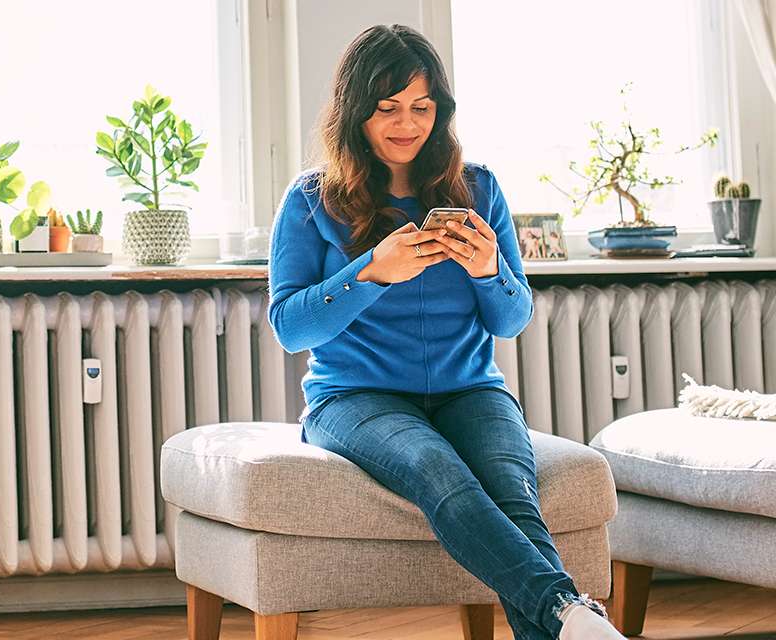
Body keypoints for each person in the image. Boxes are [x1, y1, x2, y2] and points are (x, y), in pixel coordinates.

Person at [265, 24, 623, 640]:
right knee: (438, 470)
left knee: (514, 493)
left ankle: (569, 622)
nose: (407, 124)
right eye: (388, 109)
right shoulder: (310, 200)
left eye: (422, 108)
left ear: (442, 111)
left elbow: (511, 319)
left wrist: (489, 270)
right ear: (356, 113)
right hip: (354, 399)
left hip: (470, 390)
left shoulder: (478, 189)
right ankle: (572, 614)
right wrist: (373, 272)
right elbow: (290, 328)